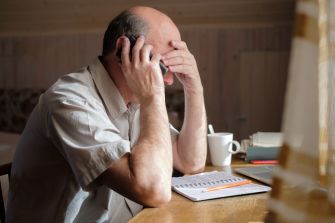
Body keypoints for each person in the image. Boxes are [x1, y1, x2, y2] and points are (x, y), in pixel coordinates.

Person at [6, 6, 207, 223]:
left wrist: (194, 85)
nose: (168, 81)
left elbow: (190, 162)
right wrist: (153, 96)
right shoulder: (69, 101)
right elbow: (153, 190)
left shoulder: (136, 102)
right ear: (124, 50)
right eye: (164, 67)